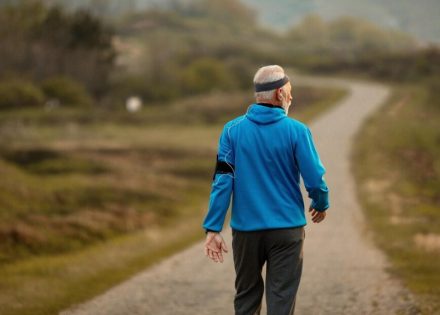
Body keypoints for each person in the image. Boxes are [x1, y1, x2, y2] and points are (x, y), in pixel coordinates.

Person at [202, 65, 329, 315]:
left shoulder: (232, 131)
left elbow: (223, 180)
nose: (291, 97)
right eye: (290, 92)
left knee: (247, 297)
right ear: (280, 93)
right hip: (287, 231)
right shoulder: (298, 131)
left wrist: (213, 228)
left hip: (246, 233)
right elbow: (314, 178)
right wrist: (320, 202)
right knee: (282, 299)